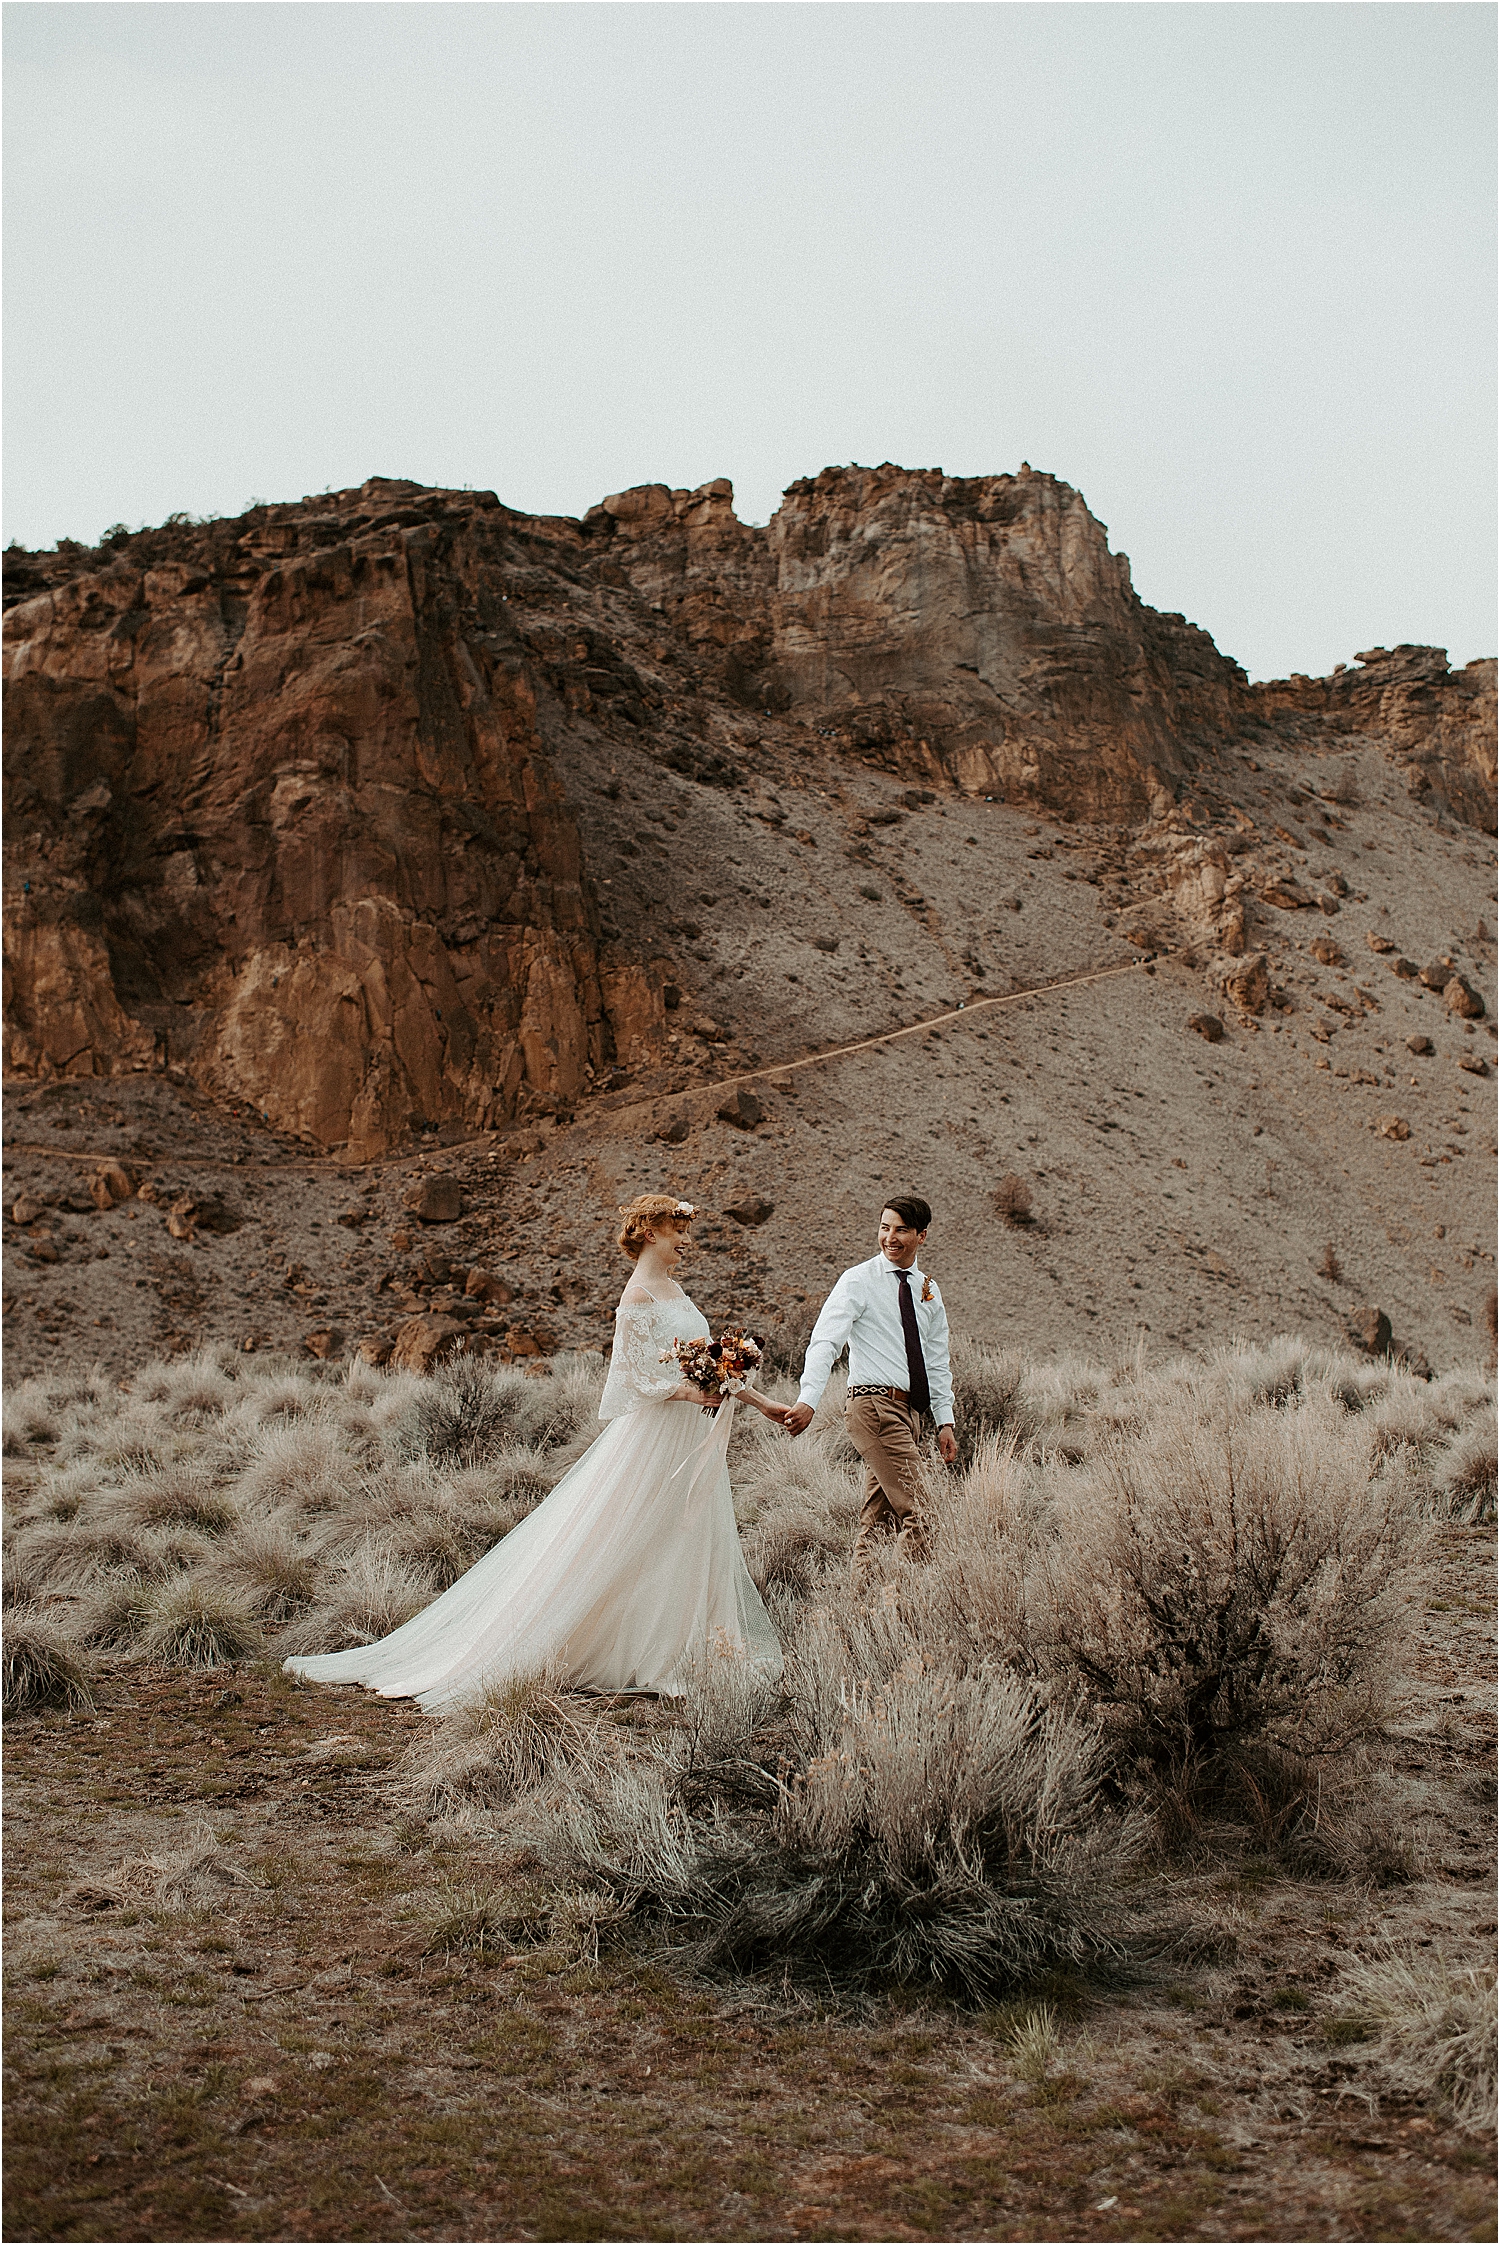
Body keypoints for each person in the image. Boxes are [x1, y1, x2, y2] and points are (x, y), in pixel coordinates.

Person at [284, 1195, 785, 1708]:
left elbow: (703, 1366)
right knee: (630, 1533)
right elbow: (629, 1379)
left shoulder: (675, 1288)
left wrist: (764, 1402)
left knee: (681, 1533)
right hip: (655, 1436)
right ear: (652, 1232)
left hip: (688, 1436)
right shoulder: (635, 1298)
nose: (685, 1240)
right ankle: (619, 1645)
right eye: (678, 1230)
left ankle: (684, 1644)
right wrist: (686, 1392)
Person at [783, 1195, 957, 1578]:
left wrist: (944, 1420)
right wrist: (808, 1398)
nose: (890, 1238)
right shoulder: (858, 1280)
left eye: (901, 1230)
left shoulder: (928, 1289)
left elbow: (936, 1359)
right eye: (884, 1228)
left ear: (921, 1236)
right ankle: (901, 1608)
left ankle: (860, 1613)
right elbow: (826, 1341)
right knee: (925, 1512)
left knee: (879, 1525)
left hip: (909, 1413)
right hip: (873, 1408)